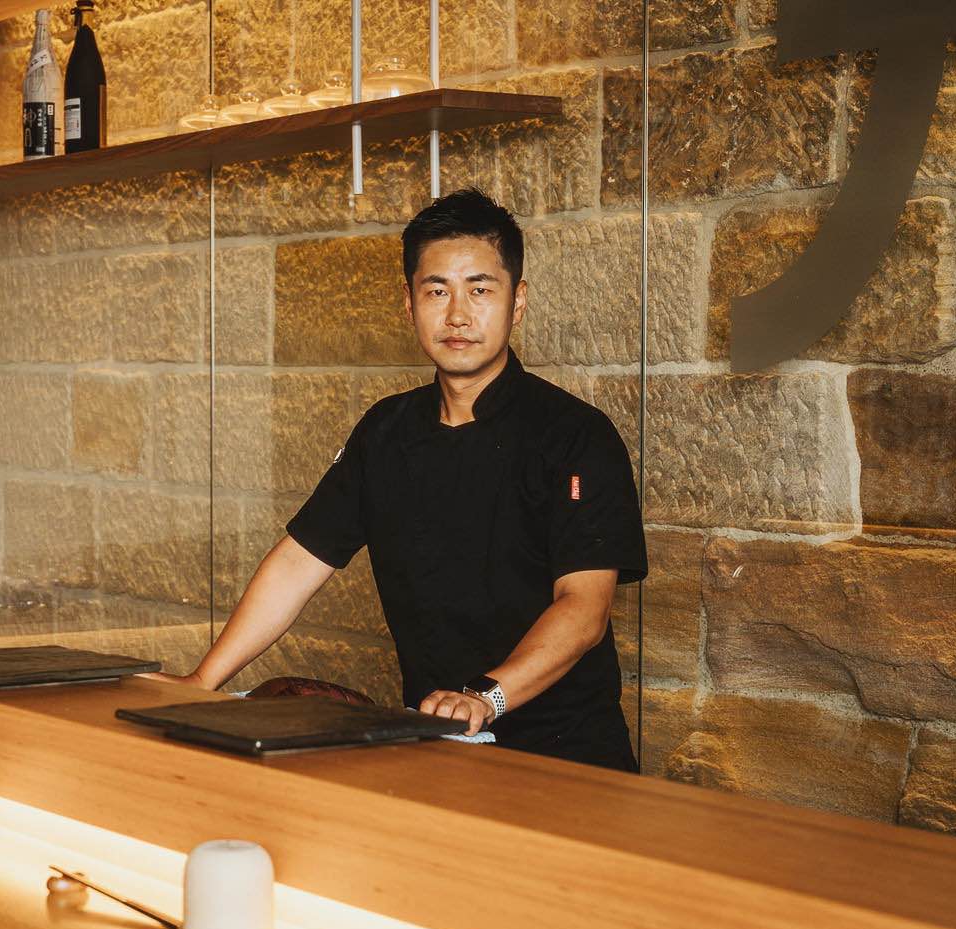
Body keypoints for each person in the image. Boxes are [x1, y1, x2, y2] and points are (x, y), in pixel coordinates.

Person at [157, 189, 648, 770]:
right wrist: (203, 680)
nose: (458, 315)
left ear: (517, 303)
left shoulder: (576, 435)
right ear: (408, 305)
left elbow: (584, 610)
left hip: (569, 759)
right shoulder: (385, 432)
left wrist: (485, 697)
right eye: (437, 291)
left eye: (480, 290)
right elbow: (297, 564)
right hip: (441, 750)